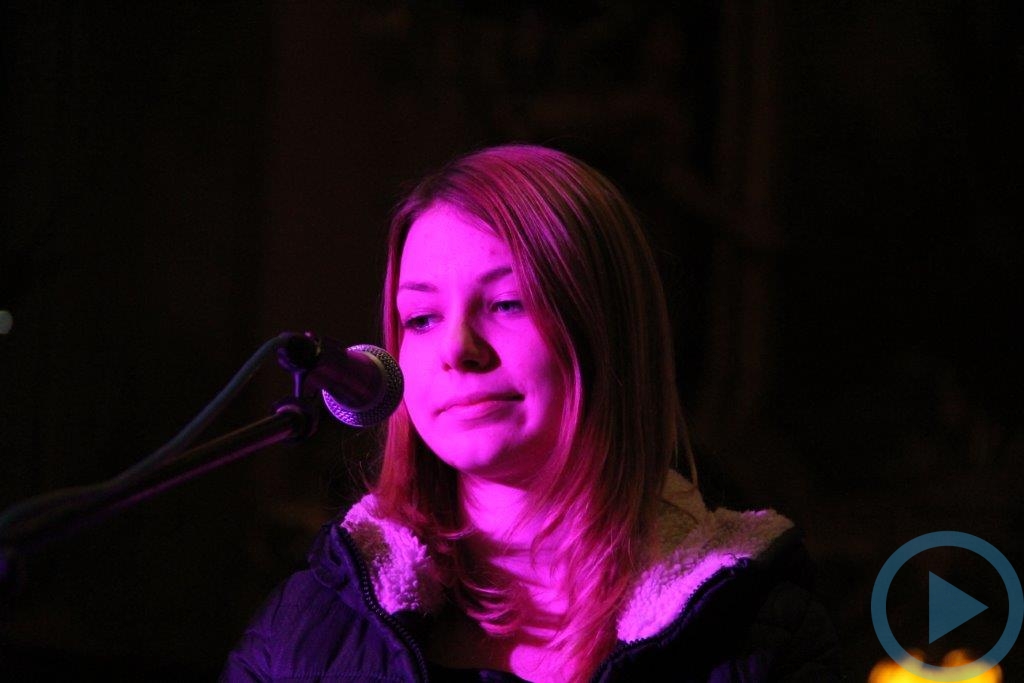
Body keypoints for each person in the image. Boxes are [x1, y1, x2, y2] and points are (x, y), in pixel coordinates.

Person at [221, 144, 841, 682]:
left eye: (508, 303)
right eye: (423, 318)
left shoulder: (755, 629)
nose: (457, 349)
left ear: (607, 331)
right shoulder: (309, 621)